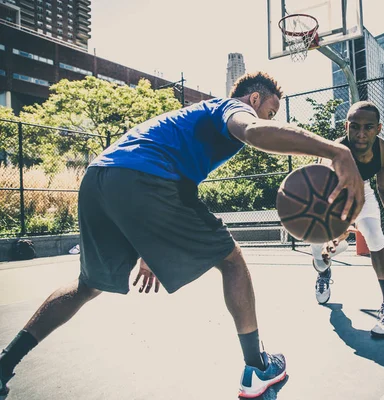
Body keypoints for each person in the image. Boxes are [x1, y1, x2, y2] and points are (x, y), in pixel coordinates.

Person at [0, 72, 365, 399]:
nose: (270, 117)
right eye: (270, 109)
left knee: (86, 286)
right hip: (146, 178)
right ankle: (257, 367)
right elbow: (252, 132)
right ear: (255, 98)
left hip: (100, 179)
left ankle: (5, 362)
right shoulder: (231, 108)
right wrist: (335, 150)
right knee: (232, 261)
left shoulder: (189, 123)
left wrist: (150, 249)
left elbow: (159, 180)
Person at [310, 101, 384, 338]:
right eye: (355, 127)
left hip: (362, 189)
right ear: (346, 126)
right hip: (329, 194)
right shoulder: (334, 154)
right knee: (319, 251)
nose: (361, 133)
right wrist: (339, 229)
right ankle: (324, 272)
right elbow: (331, 197)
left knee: (375, 236)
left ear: (379, 128)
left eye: (368, 127)